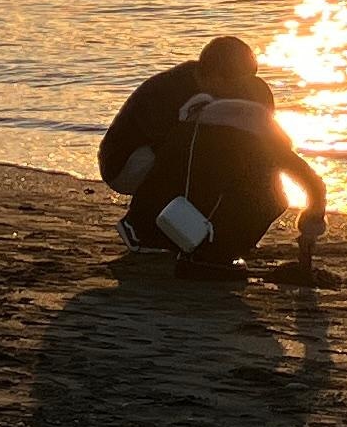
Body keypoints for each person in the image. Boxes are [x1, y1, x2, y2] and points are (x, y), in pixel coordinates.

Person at [97, 34, 325, 275]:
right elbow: (179, 154)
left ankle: (196, 231)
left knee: (238, 167)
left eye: (247, 79)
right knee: (200, 150)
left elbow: (270, 145)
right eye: (236, 81)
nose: (243, 88)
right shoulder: (180, 92)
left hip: (173, 153)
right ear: (211, 74)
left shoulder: (244, 95)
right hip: (127, 161)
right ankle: (142, 225)